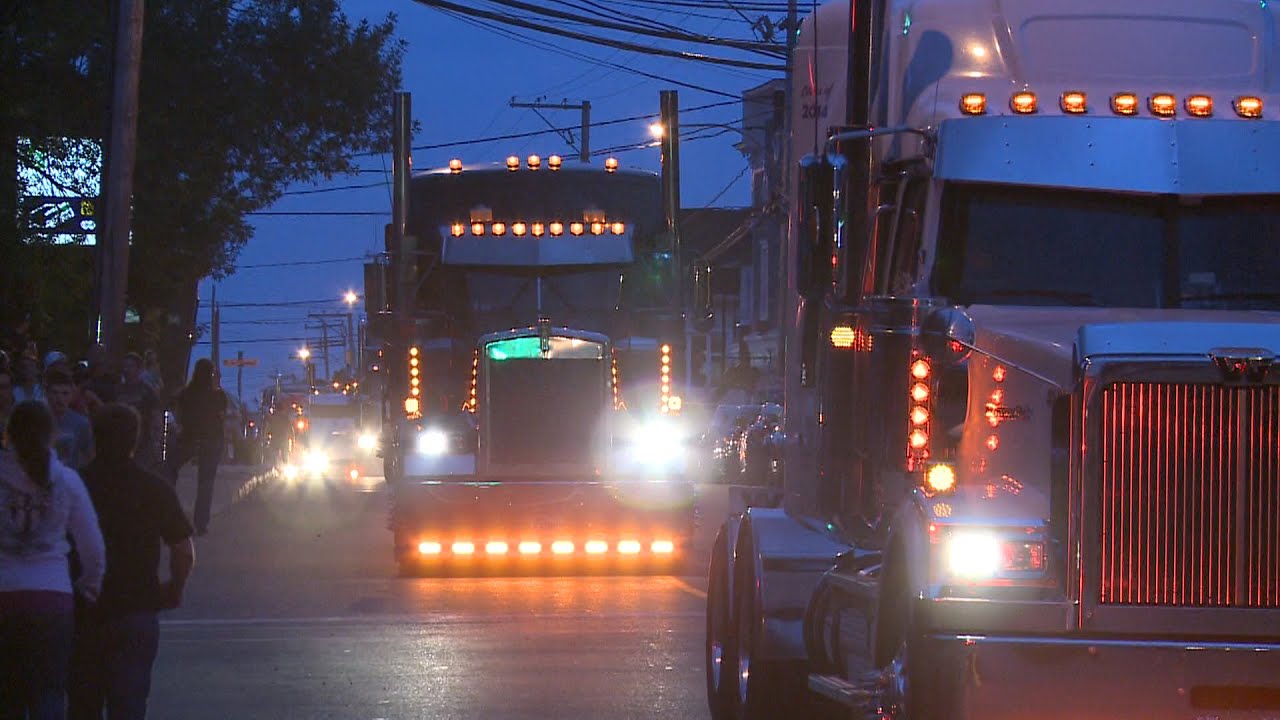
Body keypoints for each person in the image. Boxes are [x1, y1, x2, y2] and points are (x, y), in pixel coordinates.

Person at [69, 403, 194, 720]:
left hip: (83, 612)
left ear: (95, 438)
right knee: (130, 705)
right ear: (135, 441)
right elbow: (183, 549)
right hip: (137, 611)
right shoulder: (154, 488)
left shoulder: (74, 486)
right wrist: (175, 589)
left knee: (82, 705)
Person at [0, 401, 105, 720]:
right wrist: (90, 582)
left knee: (7, 696)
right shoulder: (67, 481)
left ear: (9, 435)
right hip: (52, 597)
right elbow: (92, 546)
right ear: (52, 435)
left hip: (4, 594)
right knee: (49, 691)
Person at [167, 358, 227, 535]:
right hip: (211, 440)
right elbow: (222, 417)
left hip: (189, 438)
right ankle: (201, 522)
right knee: (206, 482)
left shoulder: (186, 393)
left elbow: (179, 413)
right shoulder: (218, 396)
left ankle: (170, 512)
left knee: (170, 470)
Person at [114, 353, 161, 471]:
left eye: (130, 366)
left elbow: (156, 415)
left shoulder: (147, 390)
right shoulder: (118, 389)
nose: (127, 369)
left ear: (139, 369)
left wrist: (156, 440)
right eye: (125, 366)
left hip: (142, 440)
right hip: (120, 439)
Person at [46, 368, 95, 470]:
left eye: (65, 393)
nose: (59, 398)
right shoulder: (38, 421)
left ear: (71, 395)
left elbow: (89, 456)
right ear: (47, 394)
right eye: (55, 393)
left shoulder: (82, 423)